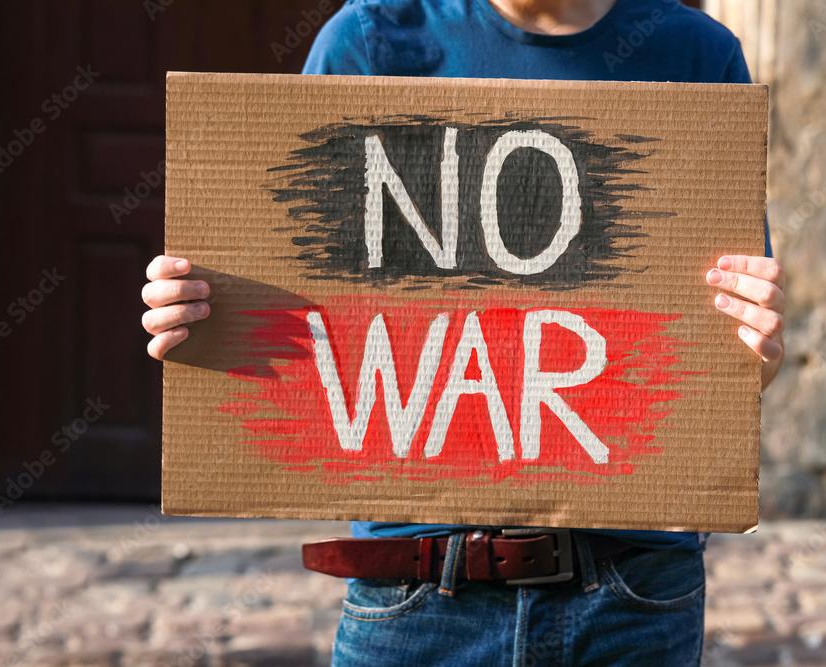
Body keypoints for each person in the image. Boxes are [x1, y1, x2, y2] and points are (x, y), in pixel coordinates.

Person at [142, 0, 785, 664]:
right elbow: (284, 281)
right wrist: (196, 315)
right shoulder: (370, 43)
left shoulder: (697, 56)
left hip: (631, 598)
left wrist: (756, 349)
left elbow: (733, 363)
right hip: (416, 598)